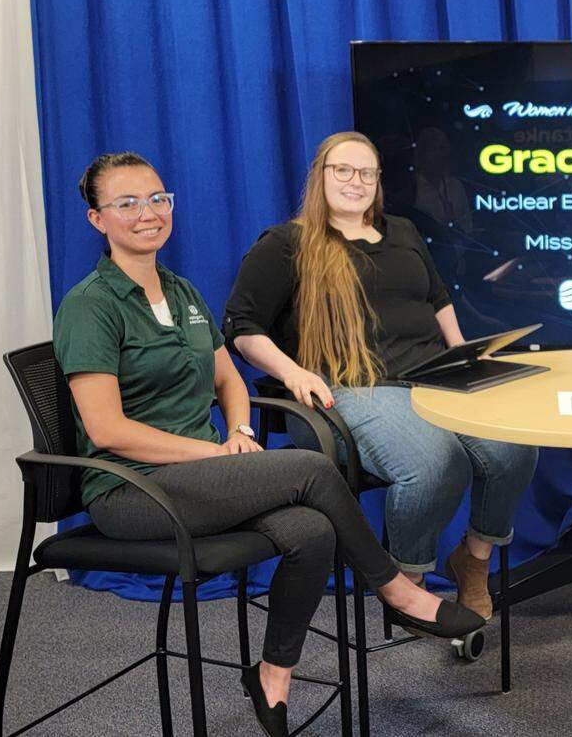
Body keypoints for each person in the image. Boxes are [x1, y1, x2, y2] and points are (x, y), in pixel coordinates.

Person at [55, 152, 484, 737]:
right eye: (126, 203)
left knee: (312, 531)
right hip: (131, 490)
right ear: (96, 220)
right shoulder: (90, 305)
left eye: (157, 199)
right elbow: (107, 431)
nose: (147, 213)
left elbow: (228, 378)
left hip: (201, 477)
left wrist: (239, 432)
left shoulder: (179, 292)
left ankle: (272, 674)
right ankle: (397, 590)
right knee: (309, 469)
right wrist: (216, 454)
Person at [224, 132, 538, 621]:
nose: (356, 181)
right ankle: (407, 582)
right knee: (436, 461)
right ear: (320, 177)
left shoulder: (404, 232)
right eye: (343, 171)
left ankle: (473, 561)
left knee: (516, 445)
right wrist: (292, 372)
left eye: (367, 173)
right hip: (350, 387)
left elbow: (438, 299)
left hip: (434, 376)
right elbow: (241, 328)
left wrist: (464, 356)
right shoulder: (286, 244)